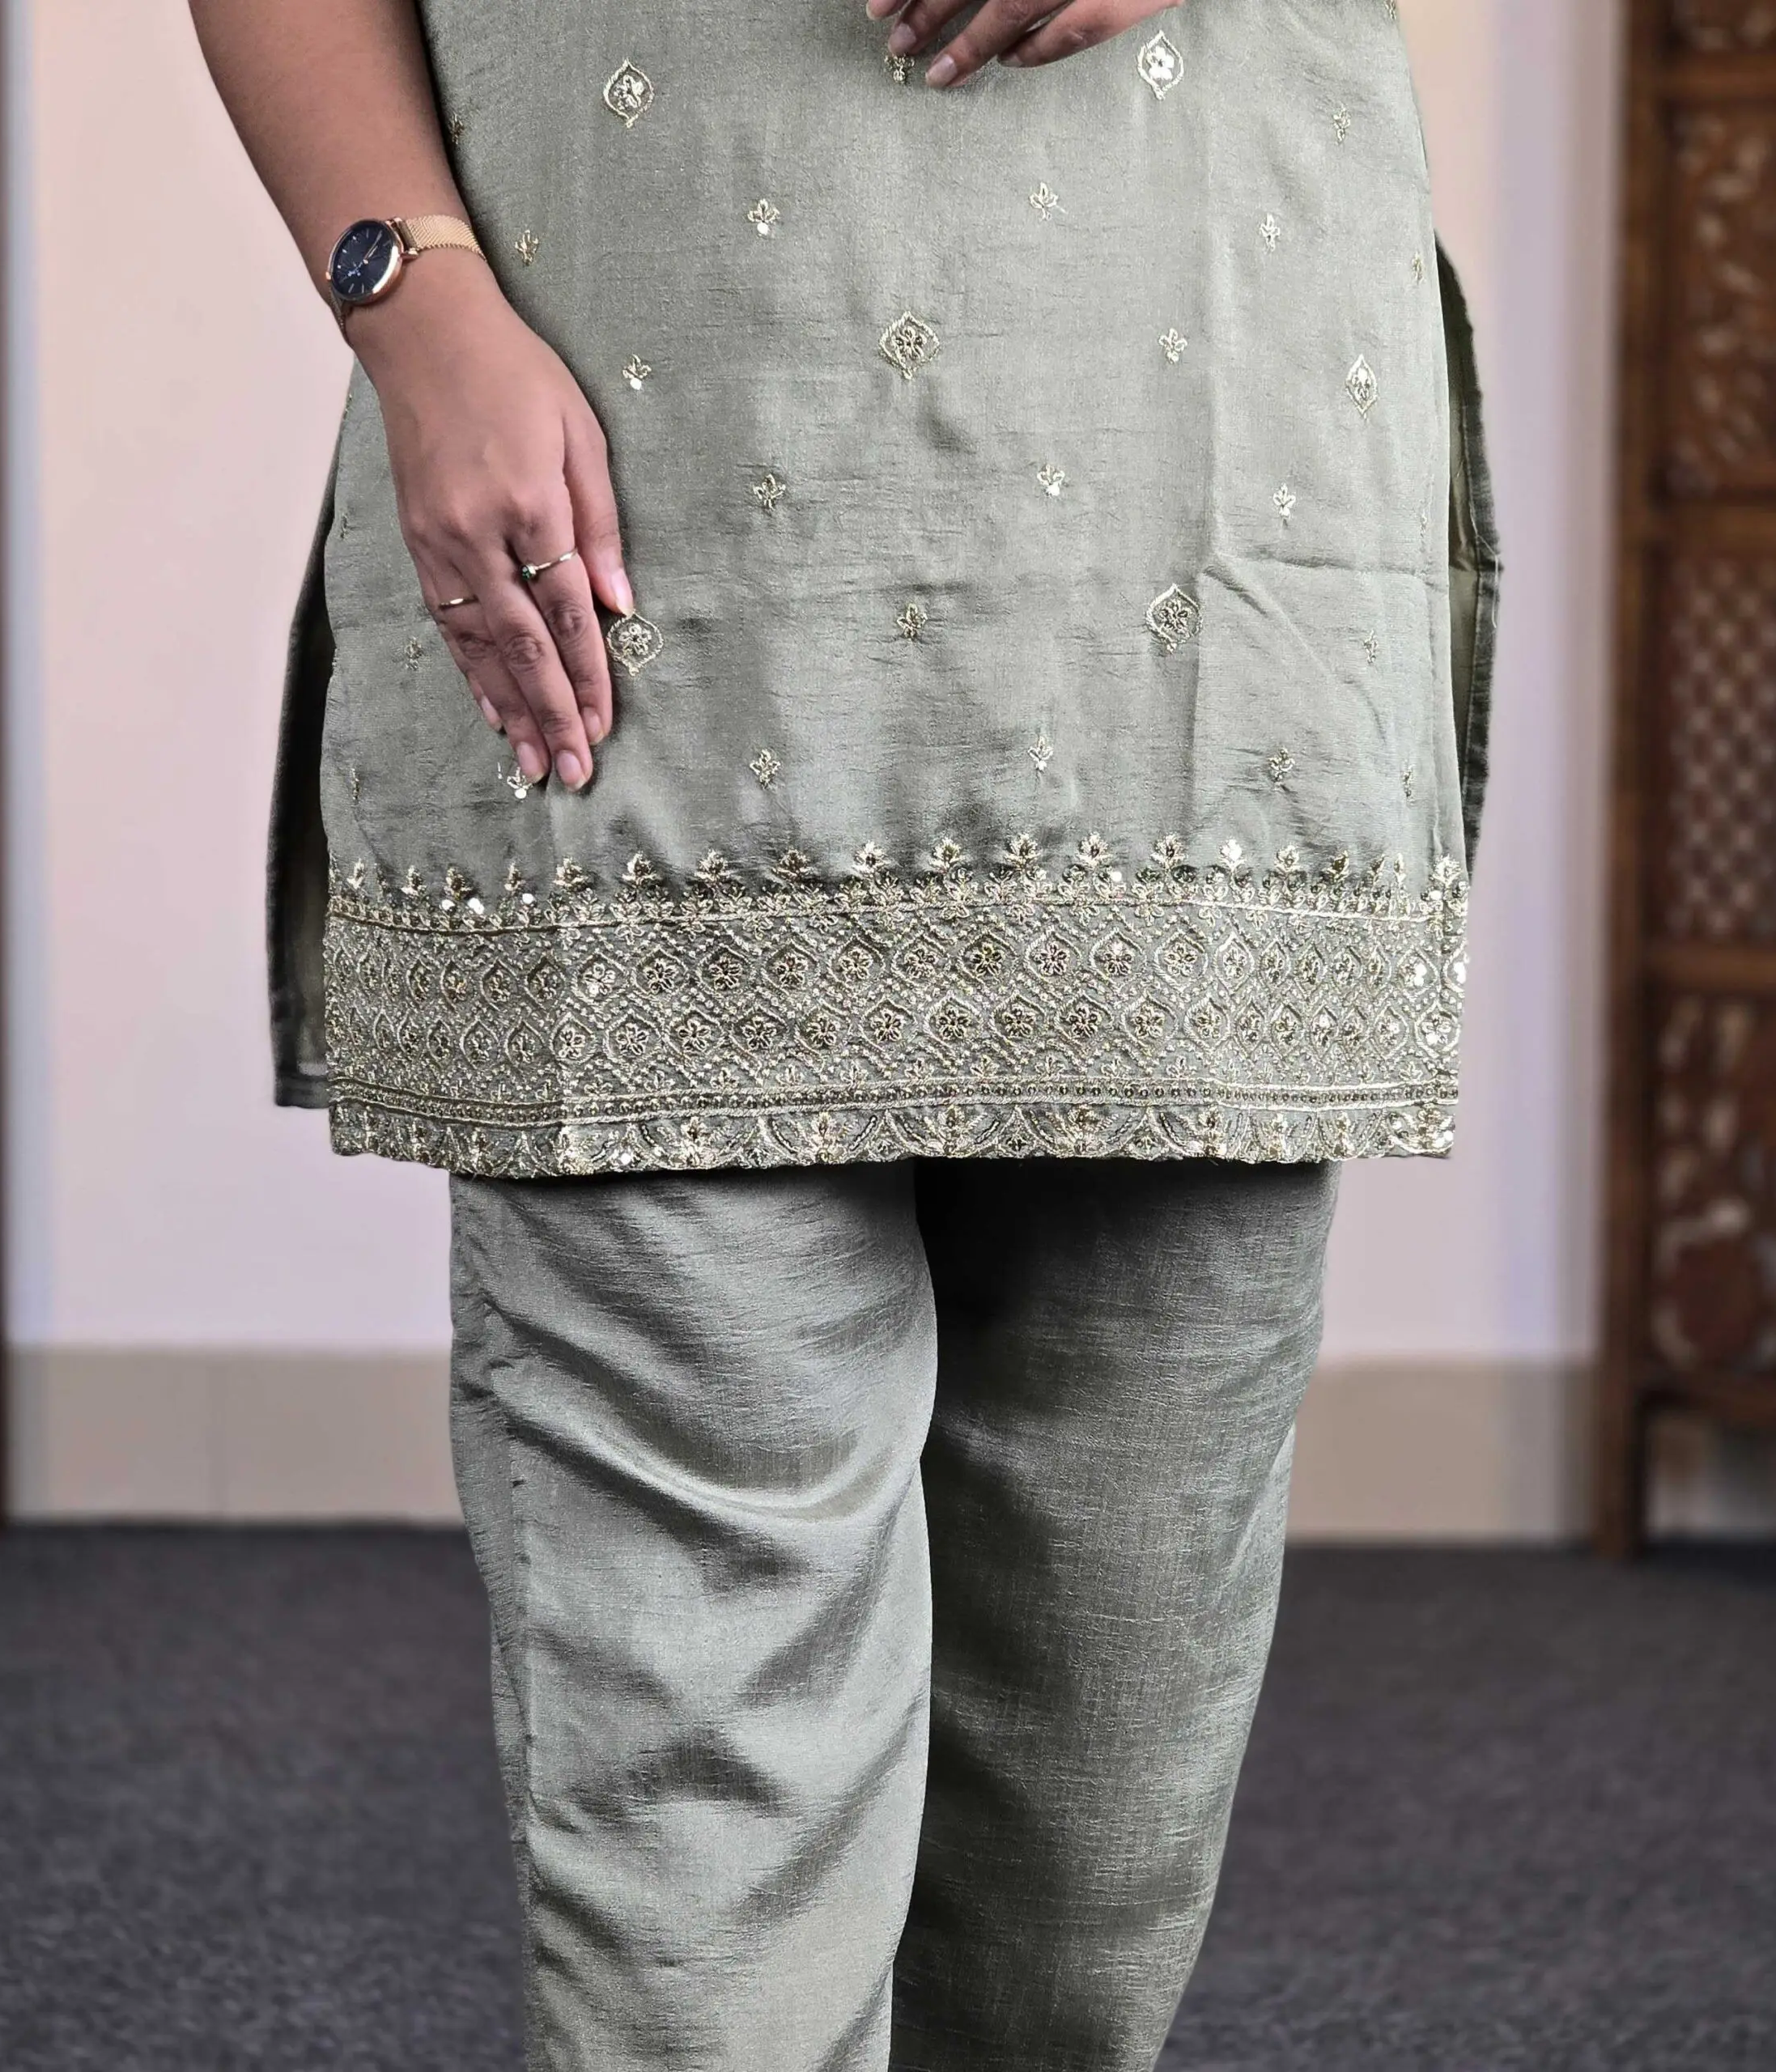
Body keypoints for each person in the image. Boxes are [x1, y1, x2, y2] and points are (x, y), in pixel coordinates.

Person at [192, 1, 1498, 2065]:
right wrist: (406, 296)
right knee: (696, 1808)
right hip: (648, 530)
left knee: (1097, 1793)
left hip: (1200, 562)